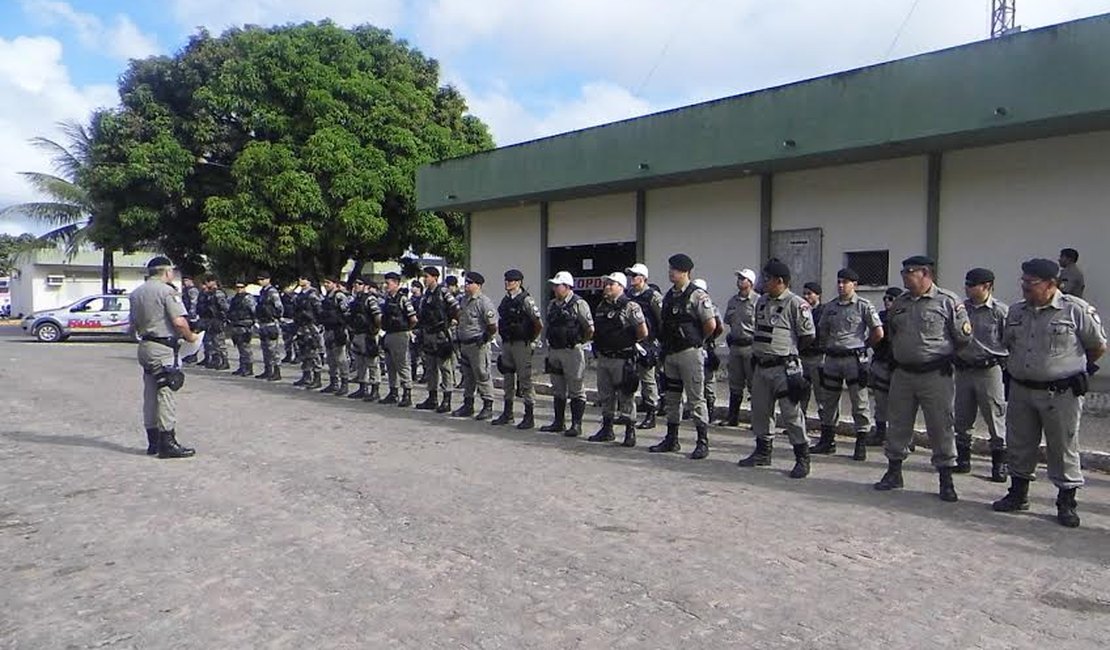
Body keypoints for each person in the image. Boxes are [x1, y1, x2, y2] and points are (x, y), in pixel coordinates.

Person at [993, 258, 1106, 528]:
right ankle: (1018, 493)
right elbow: (1009, 344)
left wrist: (1074, 369)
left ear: (1051, 284)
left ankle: (1066, 502)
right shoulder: (1017, 312)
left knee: (1063, 447)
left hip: (1060, 393)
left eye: (1031, 283)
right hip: (1021, 389)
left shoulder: (1075, 310)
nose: (1025, 288)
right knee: (1019, 443)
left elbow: (1097, 346)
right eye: (1023, 282)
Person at [874, 255, 972, 502]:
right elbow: (893, 335)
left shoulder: (948, 301)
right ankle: (894, 472)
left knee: (941, 426)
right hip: (904, 374)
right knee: (897, 423)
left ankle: (946, 479)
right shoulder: (900, 303)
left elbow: (963, 338)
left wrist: (941, 359)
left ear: (926, 274)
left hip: (935, 375)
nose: (905, 276)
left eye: (910, 272)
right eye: (903, 272)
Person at [737, 260, 816, 477]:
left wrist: (790, 352)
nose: (763, 283)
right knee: (761, 411)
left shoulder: (795, 303)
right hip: (762, 365)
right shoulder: (762, 301)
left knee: (791, 413)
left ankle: (802, 456)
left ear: (779, 281)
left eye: (767, 279)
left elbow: (808, 335)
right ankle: (763, 452)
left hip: (784, 367)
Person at [129, 256, 199, 459]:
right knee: (166, 392)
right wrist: (191, 337)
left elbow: (131, 326)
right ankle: (167, 442)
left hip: (145, 345)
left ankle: (153, 441)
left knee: (150, 393)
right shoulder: (167, 291)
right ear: (166, 272)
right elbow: (179, 322)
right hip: (163, 347)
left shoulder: (136, 294)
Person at [811, 268, 883, 461]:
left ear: (855, 285)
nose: (841, 285)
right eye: (839, 281)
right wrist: (827, 348)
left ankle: (860, 443)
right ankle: (827, 441)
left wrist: (863, 347)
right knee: (829, 400)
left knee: (859, 401)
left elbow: (878, 332)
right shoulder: (831, 307)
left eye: (846, 282)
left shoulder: (863, 306)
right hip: (833, 358)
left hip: (854, 359)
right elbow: (823, 330)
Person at [650, 254, 718, 460]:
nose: (671, 272)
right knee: (672, 398)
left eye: (675, 269)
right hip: (671, 353)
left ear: (686, 271)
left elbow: (711, 325)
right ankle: (672, 438)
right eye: (670, 269)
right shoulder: (669, 296)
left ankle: (702, 441)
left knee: (696, 399)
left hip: (690, 352)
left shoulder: (697, 295)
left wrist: (696, 340)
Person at [954, 268, 1009, 481]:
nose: (967, 289)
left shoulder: (1000, 311)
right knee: (962, 417)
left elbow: (1010, 340)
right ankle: (963, 459)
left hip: (989, 370)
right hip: (964, 369)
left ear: (986, 286)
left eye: (971, 285)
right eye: (966, 284)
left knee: (995, 418)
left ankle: (999, 464)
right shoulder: (961, 309)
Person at [589, 271, 648, 447]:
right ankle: (607, 429)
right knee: (605, 395)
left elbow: (643, 332)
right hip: (605, 357)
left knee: (626, 395)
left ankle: (630, 431)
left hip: (622, 358)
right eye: (606, 284)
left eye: (611, 284)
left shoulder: (630, 306)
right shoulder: (601, 307)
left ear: (620, 287)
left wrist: (627, 343)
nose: (607, 287)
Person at [540, 271, 594, 437]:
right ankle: (558, 422)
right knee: (557, 388)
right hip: (555, 350)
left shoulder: (579, 304)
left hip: (572, 351)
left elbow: (589, 329)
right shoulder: (552, 304)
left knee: (576, 388)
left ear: (567, 286)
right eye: (554, 286)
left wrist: (578, 342)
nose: (555, 289)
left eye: (558, 285)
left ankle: (576, 425)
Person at [492, 269, 544, 429]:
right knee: (508, 378)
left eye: (512, 281)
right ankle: (508, 413)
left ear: (519, 282)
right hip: (508, 343)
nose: (508, 283)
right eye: (507, 280)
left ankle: (529, 415)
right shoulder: (506, 300)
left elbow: (538, 323)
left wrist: (532, 342)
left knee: (525, 380)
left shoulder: (526, 300)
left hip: (522, 344)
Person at [453, 271, 499, 419]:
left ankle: (488, 405)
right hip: (465, 344)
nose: (466, 285)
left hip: (478, 344)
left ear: (478, 285)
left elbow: (492, 325)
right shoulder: (465, 300)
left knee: (482, 374)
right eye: (466, 282)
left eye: (469, 283)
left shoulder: (483, 302)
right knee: (467, 376)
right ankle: (468, 405)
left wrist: (486, 337)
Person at [416, 267, 461, 413]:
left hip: (441, 334)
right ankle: (432, 398)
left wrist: (453, 322)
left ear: (435, 277)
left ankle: (446, 400)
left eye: (427, 276)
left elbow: (456, 307)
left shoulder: (443, 292)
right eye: (424, 277)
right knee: (430, 368)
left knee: (445, 367)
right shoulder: (426, 294)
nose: (424, 279)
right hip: (428, 334)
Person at [624, 263, 663, 430]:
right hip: (630, 342)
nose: (632, 279)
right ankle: (627, 413)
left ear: (643, 277)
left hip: (647, 342)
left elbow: (662, 320)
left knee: (648, 380)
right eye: (630, 275)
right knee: (628, 378)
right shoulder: (627, 295)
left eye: (635, 275)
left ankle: (651, 414)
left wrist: (657, 342)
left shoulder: (653, 296)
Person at [720, 268, 759, 427]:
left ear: (750, 282)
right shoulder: (733, 301)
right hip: (735, 345)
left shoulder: (758, 301)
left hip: (751, 346)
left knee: (754, 384)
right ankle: (732, 417)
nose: (740, 281)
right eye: (739, 278)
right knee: (735, 384)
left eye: (743, 279)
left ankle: (756, 420)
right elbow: (728, 320)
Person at [866, 287, 903, 447]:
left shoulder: (905, 318)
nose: (887, 302)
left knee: (901, 404)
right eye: (885, 299)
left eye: (891, 298)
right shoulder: (880, 317)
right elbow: (874, 337)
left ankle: (903, 437)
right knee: (880, 402)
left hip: (899, 366)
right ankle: (880, 433)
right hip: (882, 362)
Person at [380, 272, 418, 407]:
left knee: (402, 364)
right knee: (390, 365)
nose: (385, 286)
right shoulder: (387, 299)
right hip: (389, 334)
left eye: (388, 283)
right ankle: (393, 392)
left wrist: (407, 329)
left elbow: (413, 319)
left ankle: (407, 394)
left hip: (400, 334)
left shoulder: (403, 299)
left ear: (396, 283)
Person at [346, 277, 384, 402]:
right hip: (357, 333)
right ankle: (363, 387)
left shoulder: (370, 299)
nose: (356, 285)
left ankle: (375, 390)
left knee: (372, 363)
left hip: (368, 334)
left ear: (366, 286)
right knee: (360, 363)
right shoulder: (356, 299)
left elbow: (377, 316)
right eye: (355, 283)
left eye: (360, 284)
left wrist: (375, 330)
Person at [319, 277, 352, 396]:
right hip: (328, 330)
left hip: (338, 330)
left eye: (329, 282)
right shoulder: (327, 297)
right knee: (330, 358)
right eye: (325, 282)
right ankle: (333, 382)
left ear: (335, 284)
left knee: (340, 358)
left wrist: (342, 324)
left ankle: (344, 383)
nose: (326, 284)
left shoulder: (339, 296)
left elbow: (347, 312)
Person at [799, 281, 826, 421]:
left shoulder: (823, 312)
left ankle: (825, 426)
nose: (806, 296)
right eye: (804, 293)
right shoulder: (801, 311)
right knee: (801, 392)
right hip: (803, 356)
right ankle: (800, 423)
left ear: (818, 295)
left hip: (818, 357)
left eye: (809, 294)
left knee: (821, 394)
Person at [292, 275, 324, 390]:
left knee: (313, 351)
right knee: (303, 351)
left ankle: (317, 377)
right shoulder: (300, 295)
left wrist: (316, 324)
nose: (300, 280)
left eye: (303, 278)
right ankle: (306, 376)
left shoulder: (313, 294)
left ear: (309, 281)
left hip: (311, 327)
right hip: (302, 326)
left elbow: (319, 311)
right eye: (299, 278)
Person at [254, 271, 284, 381]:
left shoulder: (272, 291)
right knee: (265, 348)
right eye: (259, 280)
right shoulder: (263, 291)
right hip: (263, 322)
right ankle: (268, 370)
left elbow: (279, 307)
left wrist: (276, 317)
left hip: (271, 322)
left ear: (268, 279)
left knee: (273, 349)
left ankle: (277, 372)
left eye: (262, 279)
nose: (260, 281)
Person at [197, 274, 230, 370]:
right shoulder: (210, 293)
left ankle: (225, 361)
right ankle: (216, 360)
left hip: (218, 319)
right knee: (212, 342)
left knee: (219, 342)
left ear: (213, 282)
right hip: (211, 320)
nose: (206, 284)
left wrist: (223, 317)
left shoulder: (218, 293)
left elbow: (224, 307)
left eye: (208, 281)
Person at [227, 281, 256, 377]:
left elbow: (254, 311)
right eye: (237, 287)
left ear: (245, 287)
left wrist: (253, 323)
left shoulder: (248, 298)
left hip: (245, 325)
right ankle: (242, 367)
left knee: (246, 348)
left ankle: (248, 368)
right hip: (236, 325)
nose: (239, 289)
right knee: (240, 347)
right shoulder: (235, 298)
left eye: (241, 287)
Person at [180, 276, 201, 364]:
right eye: (184, 280)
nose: (185, 282)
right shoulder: (186, 290)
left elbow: (193, 303)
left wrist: (191, 316)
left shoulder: (192, 290)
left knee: (193, 336)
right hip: (187, 316)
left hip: (192, 317)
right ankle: (190, 354)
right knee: (187, 337)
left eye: (187, 280)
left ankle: (193, 355)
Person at [279, 285, 298, 364]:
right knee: (286, 339)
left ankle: (297, 355)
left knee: (295, 340)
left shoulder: (296, 297)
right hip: (285, 320)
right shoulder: (282, 297)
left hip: (294, 320)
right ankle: (288, 355)